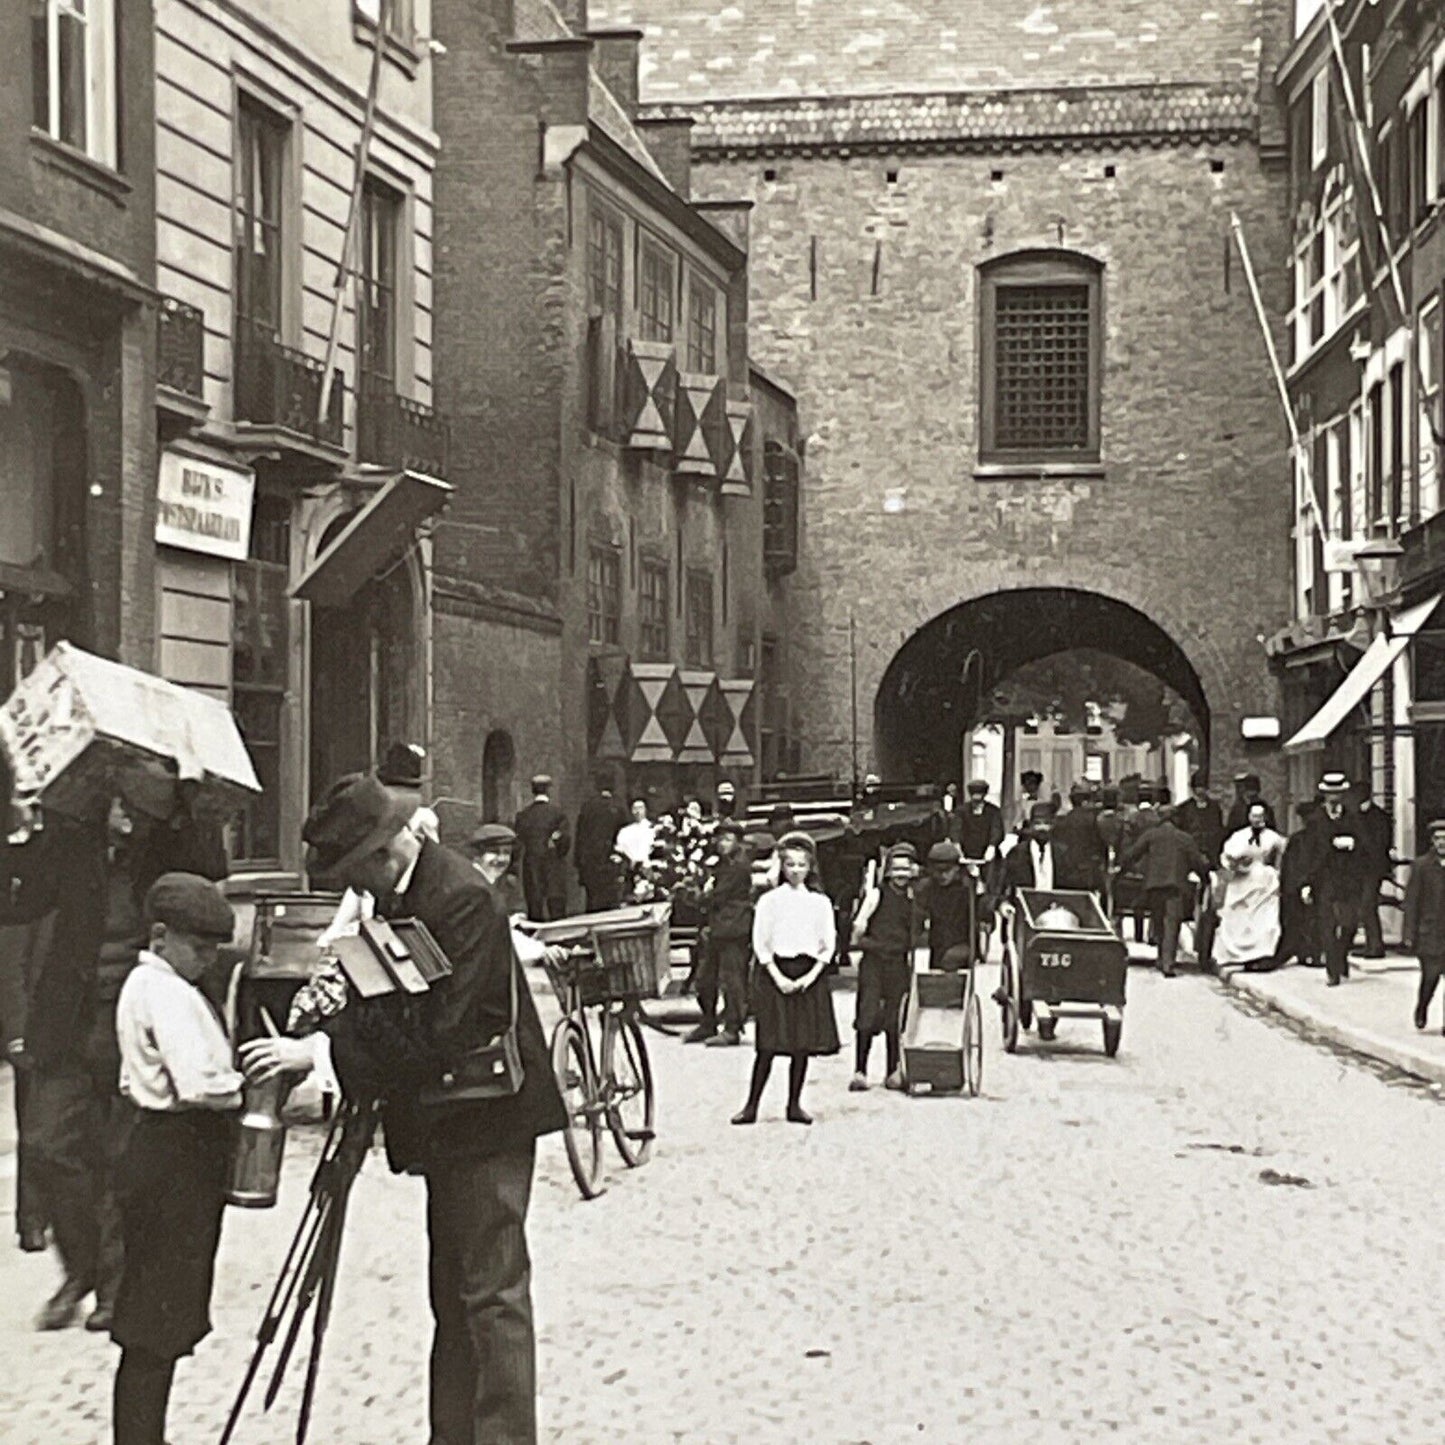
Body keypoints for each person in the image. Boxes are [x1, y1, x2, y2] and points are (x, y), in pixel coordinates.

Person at [243, 772, 567, 1444]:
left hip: (488, 1117)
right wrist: (334, 1035)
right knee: (452, 1293)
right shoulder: (398, 894)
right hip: (449, 1115)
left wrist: (326, 1057)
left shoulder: (461, 897)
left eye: (351, 875)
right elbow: (384, 1000)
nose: (349, 891)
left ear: (383, 853)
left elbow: (437, 1030)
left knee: (491, 1295)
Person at [2, 782, 226, 1334]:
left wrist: (187, 796)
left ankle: (113, 1284)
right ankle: (82, 1268)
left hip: (139, 1021)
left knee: (117, 1155)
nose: (126, 809)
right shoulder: (70, 840)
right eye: (118, 799)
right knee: (47, 1145)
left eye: (134, 799)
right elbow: (21, 900)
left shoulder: (167, 846)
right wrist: (19, 828)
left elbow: (210, 871)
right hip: (70, 1023)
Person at [109, 873, 241, 1445]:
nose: (206, 959)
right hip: (175, 1154)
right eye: (199, 948)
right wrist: (241, 1082)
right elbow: (197, 1085)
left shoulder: (156, 985)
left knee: (157, 1316)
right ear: (161, 936)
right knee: (154, 1323)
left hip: (164, 1151)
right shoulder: (163, 991)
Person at [733, 832, 839, 1126]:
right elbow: (760, 943)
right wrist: (777, 977)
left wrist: (810, 977)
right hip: (775, 973)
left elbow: (827, 946)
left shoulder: (820, 903)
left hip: (808, 973)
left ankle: (794, 1104)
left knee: (801, 1045)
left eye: (801, 865)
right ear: (781, 866)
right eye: (789, 864)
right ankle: (751, 1105)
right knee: (767, 1045)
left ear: (810, 868)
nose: (795, 870)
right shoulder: (769, 902)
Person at [849, 843, 920, 1092]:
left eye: (906, 868)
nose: (901, 874)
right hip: (874, 961)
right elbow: (859, 924)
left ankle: (893, 1071)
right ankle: (860, 1070)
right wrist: (862, 945)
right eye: (896, 869)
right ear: (888, 870)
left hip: (898, 962)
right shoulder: (877, 894)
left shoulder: (914, 897)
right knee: (867, 1015)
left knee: (895, 1017)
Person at [1114, 806, 1210, 977]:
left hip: (1154, 885)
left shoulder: (1151, 835)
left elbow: (1132, 854)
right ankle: (1168, 963)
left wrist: (1120, 871)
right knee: (1172, 922)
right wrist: (1205, 879)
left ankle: (1161, 957)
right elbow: (1198, 862)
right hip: (1176, 885)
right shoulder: (1184, 838)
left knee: (1158, 920)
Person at [1298, 772, 1369, 987]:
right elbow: (1308, 852)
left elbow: (1366, 846)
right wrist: (1306, 882)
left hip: (1349, 878)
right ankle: (1333, 971)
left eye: (1338, 792)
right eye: (1330, 793)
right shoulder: (1315, 820)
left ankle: (1340, 955)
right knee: (1327, 925)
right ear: (1325, 794)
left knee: (1349, 925)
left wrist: (1353, 844)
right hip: (1324, 878)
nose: (1334, 797)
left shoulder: (1353, 817)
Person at [687, 820, 753, 1047]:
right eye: (719, 839)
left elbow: (717, 895)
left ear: (737, 842)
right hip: (717, 927)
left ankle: (732, 1029)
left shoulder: (738, 866)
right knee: (705, 979)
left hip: (734, 927)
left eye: (727, 839)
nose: (722, 844)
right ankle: (708, 1022)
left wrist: (697, 895)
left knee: (732, 981)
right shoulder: (721, 864)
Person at [1215, 803, 1286, 970]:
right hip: (1242, 880)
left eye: (1260, 816)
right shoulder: (1238, 836)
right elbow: (1226, 856)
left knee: (1265, 919)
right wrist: (1234, 864)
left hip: (1264, 881)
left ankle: (1261, 953)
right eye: (1254, 816)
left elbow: (1284, 853)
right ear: (1249, 817)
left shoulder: (1273, 837)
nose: (1257, 820)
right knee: (1238, 916)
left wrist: (1277, 871)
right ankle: (1235, 953)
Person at [1402, 820, 1445, 1032]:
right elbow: (1411, 902)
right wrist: (1409, 934)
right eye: (1438, 839)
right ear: (1432, 841)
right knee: (1431, 976)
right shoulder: (1422, 866)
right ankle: (1422, 1007)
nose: (1442, 843)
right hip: (1430, 932)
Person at [513, 774, 571, 921]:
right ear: (548, 790)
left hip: (531, 862)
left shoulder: (523, 815)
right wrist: (559, 851)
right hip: (553, 863)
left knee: (534, 903)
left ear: (533, 791)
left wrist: (513, 867)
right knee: (556, 904)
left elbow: (517, 842)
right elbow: (565, 841)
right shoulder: (557, 814)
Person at [1274, 802, 1321, 969]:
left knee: (1312, 920)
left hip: (1311, 884)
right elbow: (1289, 865)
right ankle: (1303, 951)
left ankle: (1312, 952)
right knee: (1299, 920)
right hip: (1295, 886)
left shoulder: (1319, 839)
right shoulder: (1297, 839)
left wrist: (1307, 883)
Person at [916, 841, 974, 972]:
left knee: (950, 962)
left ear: (956, 868)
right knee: (937, 976)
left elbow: (981, 903)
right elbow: (917, 914)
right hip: (937, 943)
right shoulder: (927, 888)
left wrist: (998, 905)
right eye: (938, 871)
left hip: (962, 943)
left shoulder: (966, 887)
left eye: (947, 871)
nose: (943, 876)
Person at [573, 780, 627, 912]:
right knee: (611, 902)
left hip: (591, 862)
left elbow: (580, 836)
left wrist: (579, 862)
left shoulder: (587, 807)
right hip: (611, 860)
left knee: (593, 901)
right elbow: (624, 835)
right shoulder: (618, 807)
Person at [1353, 786, 1392, 959]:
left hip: (1373, 869)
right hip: (1359, 869)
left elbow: (1379, 845)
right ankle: (1371, 943)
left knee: (1367, 905)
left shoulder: (1379, 817)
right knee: (1364, 906)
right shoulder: (1355, 816)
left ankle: (1375, 945)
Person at [1051, 783, 1108, 892]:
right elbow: (1100, 845)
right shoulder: (1092, 820)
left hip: (1066, 870)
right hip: (1087, 871)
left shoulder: (1061, 821)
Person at [1001, 803, 1059, 895]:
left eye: (1047, 823)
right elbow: (1004, 886)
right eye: (1037, 823)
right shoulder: (1017, 853)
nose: (1042, 828)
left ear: (1053, 825)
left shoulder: (1063, 854)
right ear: (1031, 825)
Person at [614, 798, 657, 874]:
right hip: (630, 869)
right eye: (635, 808)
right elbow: (619, 848)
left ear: (645, 810)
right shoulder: (625, 831)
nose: (638, 811)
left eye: (640, 808)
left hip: (648, 868)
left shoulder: (653, 828)